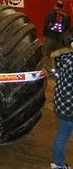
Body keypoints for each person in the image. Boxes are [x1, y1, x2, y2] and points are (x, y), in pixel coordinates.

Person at [50, 35, 73, 169]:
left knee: (62, 136)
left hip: (62, 105)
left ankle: (57, 164)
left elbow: (56, 75)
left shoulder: (63, 59)